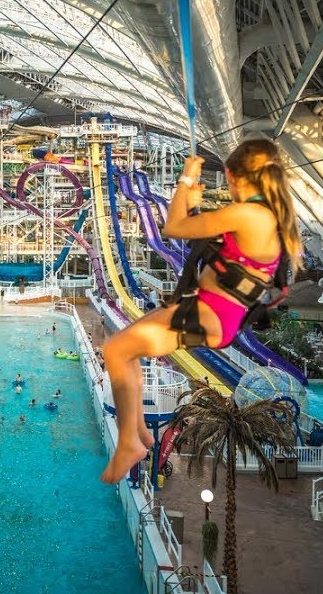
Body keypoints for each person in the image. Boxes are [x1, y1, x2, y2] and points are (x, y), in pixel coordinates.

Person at [99, 141, 302, 483]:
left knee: (117, 350)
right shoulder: (266, 217)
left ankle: (131, 443)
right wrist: (192, 207)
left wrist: (186, 180)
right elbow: (196, 236)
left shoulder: (250, 214)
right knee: (122, 349)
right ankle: (139, 435)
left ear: (233, 176)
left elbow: (173, 229)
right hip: (208, 311)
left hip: (209, 314)